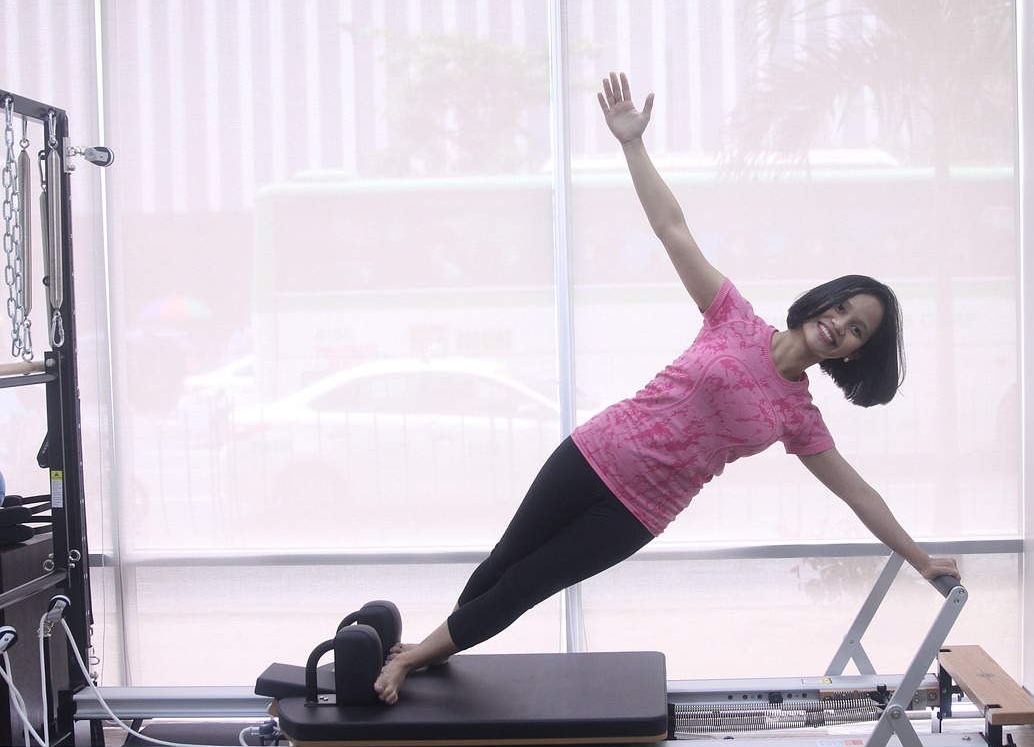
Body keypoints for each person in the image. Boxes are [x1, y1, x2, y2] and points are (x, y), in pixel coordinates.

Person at [374, 72, 959, 705]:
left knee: (526, 584)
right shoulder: (733, 316)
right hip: (590, 453)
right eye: (844, 309)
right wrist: (631, 144)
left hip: (637, 511)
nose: (840, 326)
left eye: (856, 331)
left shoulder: (799, 414)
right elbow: (672, 228)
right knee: (499, 565)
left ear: (853, 352)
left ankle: (410, 663)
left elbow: (861, 494)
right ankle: (432, 654)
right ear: (824, 299)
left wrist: (922, 559)